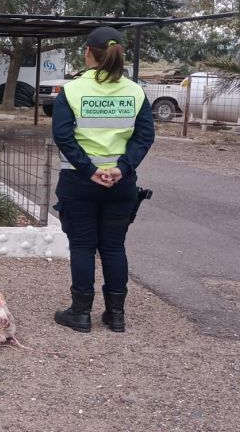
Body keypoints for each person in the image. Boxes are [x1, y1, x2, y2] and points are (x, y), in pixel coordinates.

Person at [51, 26, 155, 333]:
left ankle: (80, 314)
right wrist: (122, 168)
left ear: (87, 52)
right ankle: (116, 315)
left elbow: (63, 137)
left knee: (82, 246)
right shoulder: (136, 92)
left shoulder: (71, 91)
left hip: (80, 181)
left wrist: (90, 170)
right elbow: (144, 136)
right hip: (120, 184)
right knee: (113, 247)